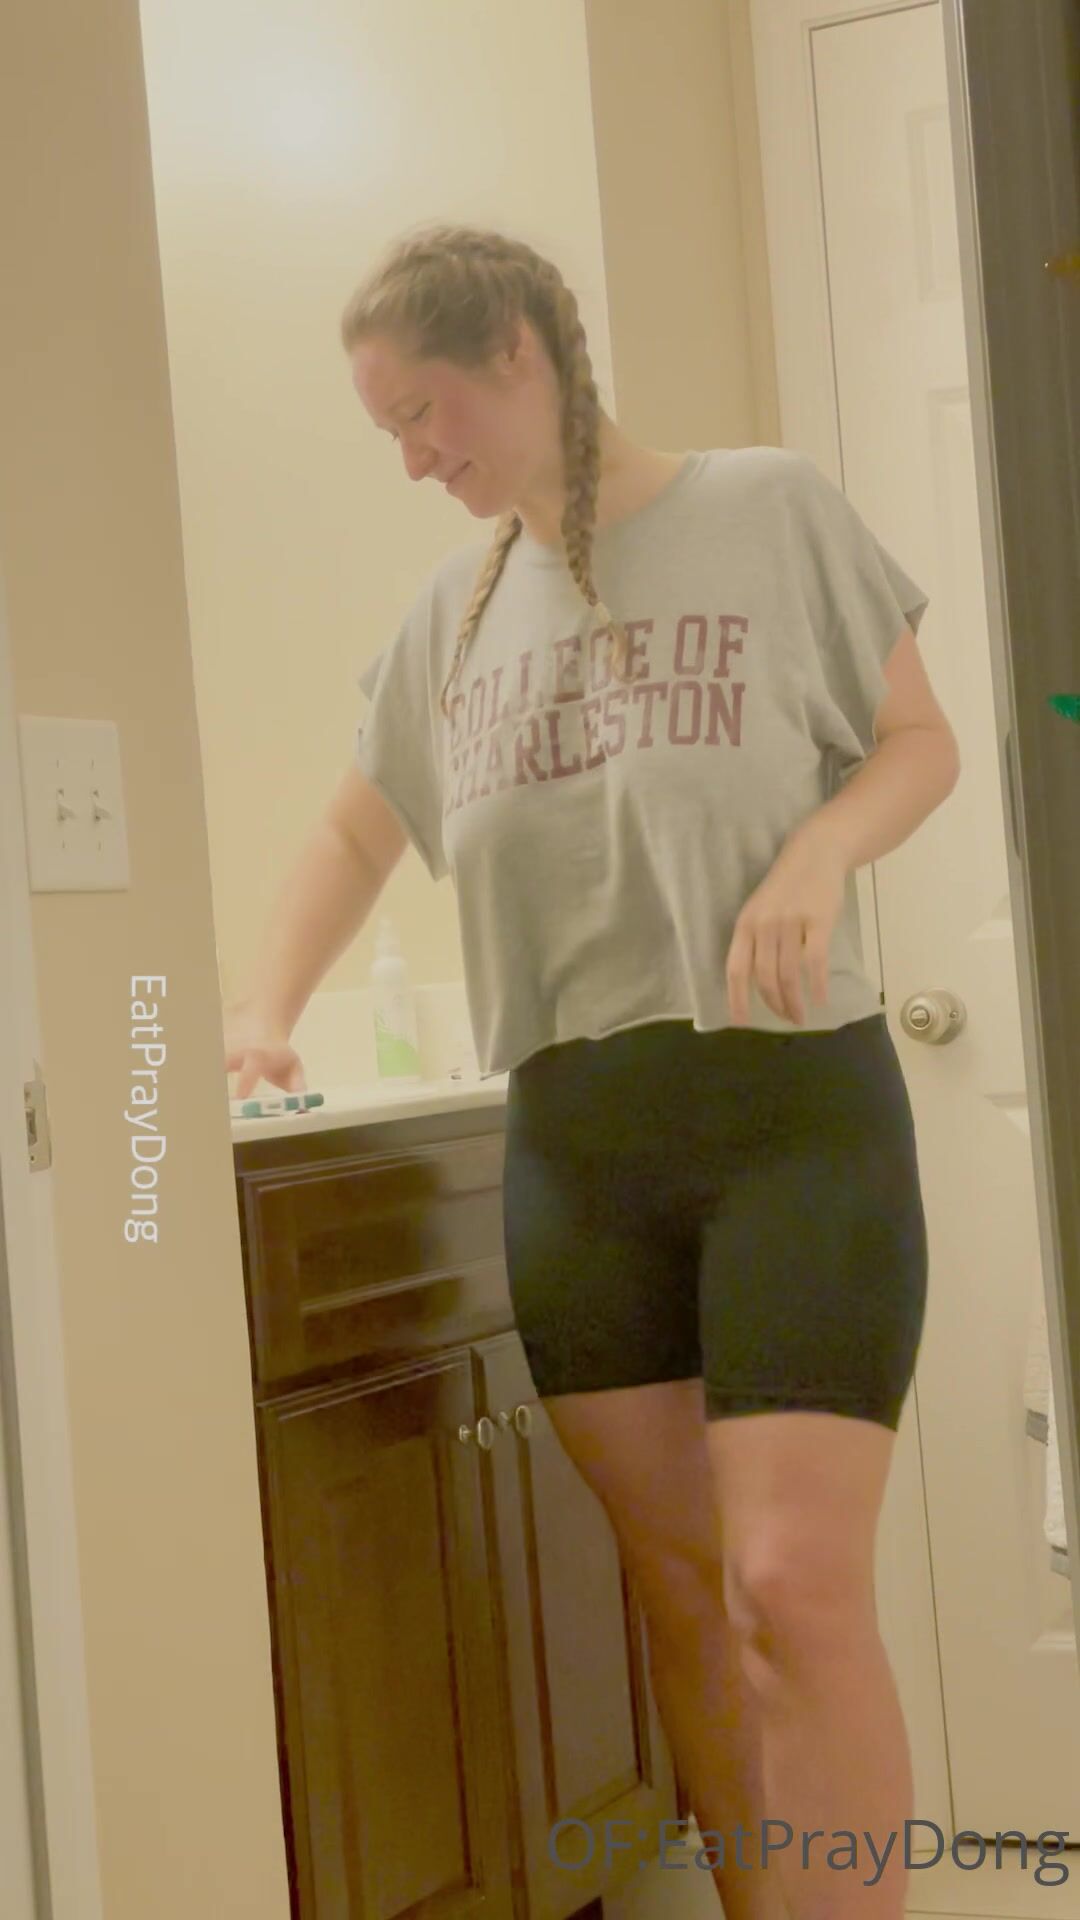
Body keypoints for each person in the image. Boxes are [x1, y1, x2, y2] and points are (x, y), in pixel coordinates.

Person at [224, 222, 961, 1920]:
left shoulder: (768, 509)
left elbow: (917, 744)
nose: (415, 460)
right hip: (577, 1146)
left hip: (791, 1116)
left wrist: (817, 855)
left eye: (423, 413)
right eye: (387, 432)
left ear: (519, 354)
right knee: (689, 1600)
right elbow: (353, 831)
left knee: (792, 1590)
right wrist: (262, 1009)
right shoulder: (452, 613)